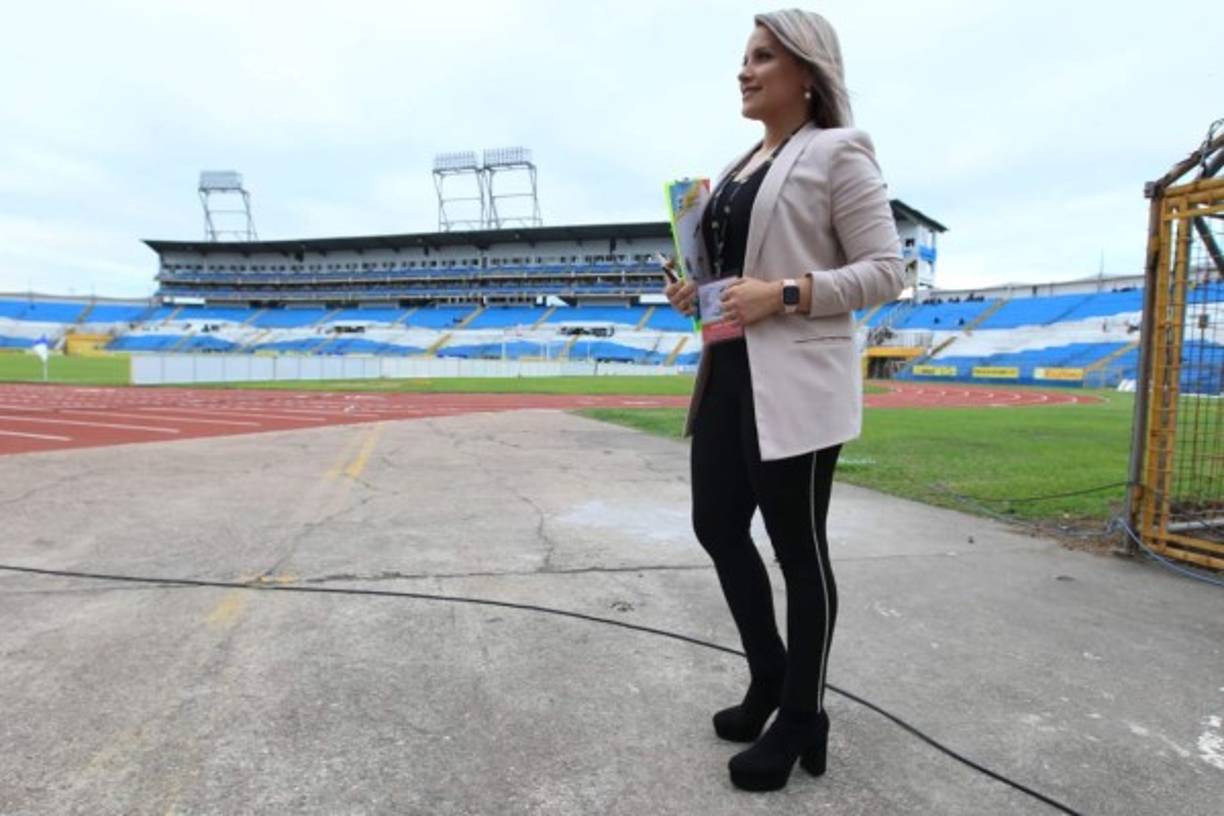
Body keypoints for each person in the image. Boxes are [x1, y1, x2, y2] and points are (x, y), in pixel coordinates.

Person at [663, 9, 905, 793]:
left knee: (799, 552)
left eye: (763, 57)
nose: (745, 70)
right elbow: (736, 282)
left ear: (807, 72)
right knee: (716, 525)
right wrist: (696, 294)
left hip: (796, 383)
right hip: (729, 371)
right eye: (744, 57)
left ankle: (805, 715)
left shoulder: (839, 153)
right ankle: (770, 675)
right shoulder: (737, 168)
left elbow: (884, 271)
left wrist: (791, 293)